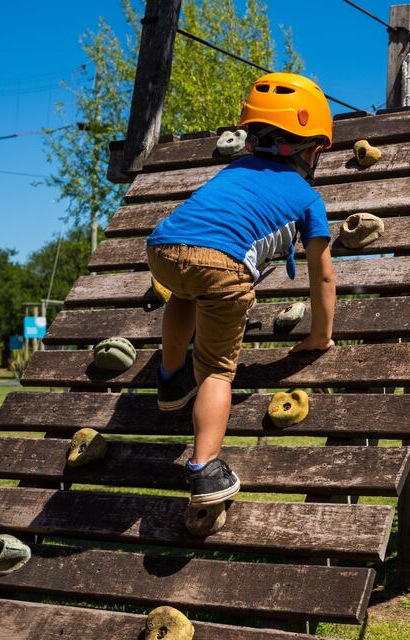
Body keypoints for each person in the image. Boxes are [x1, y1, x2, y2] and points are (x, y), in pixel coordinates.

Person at [145, 72, 336, 506]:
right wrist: (321, 334)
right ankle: (206, 469)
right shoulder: (308, 199)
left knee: (184, 293)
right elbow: (322, 274)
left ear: (250, 138)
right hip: (223, 265)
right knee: (215, 371)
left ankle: (171, 379)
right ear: (316, 149)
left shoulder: (233, 171)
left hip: (163, 248)